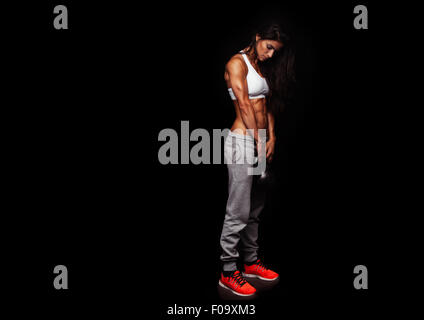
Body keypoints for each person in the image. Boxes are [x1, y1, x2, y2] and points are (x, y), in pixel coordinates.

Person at [219, 22, 296, 297]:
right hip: (242, 142)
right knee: (238, 210)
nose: (272, 54)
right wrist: (257, 142)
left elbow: (266, 105)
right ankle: (228, 271)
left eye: (276, 51)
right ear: (257, 37)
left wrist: (271, 137)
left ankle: (250, 263)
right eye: (269, 47)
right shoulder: (236, 63)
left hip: (260, 143)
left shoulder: (262, 69)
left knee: (254, 210)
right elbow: (244, 103)